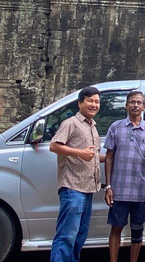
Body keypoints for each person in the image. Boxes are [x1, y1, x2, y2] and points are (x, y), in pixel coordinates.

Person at [49, 86, 103, 262]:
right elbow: (54, 146)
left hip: (87, 189)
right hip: (72, 188)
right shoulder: (71, 123)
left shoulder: (92, 126)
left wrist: (113, 157)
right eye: (90, 101)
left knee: (79, 236)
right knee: (66, 235)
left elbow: (91, 156)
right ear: (80, 103)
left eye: (97, 101)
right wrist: (80, 153)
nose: (94, 104)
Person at [104, 91, 145, 262]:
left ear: (143, 107)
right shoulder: (116, 127)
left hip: (141, 190)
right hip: (119, 189)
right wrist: (109, 186)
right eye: (132, 102)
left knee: (137, 229)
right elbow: (109, 157)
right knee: (116, 228)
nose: (135, 105)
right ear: (126, 105)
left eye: (139, 102)